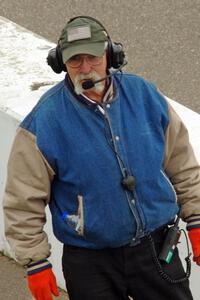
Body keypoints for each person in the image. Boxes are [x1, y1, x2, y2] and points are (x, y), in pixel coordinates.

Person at [3, 15, 200, 300]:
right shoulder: (43, 123)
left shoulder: (145, 96)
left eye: (93, 57)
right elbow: (22, 200)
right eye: (75, 60)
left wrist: (196, 218)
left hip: (157, 248)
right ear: (60, 63)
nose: (85, 68)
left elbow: (182, 164)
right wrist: (36, 262)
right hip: (89, 262)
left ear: (110, 54)